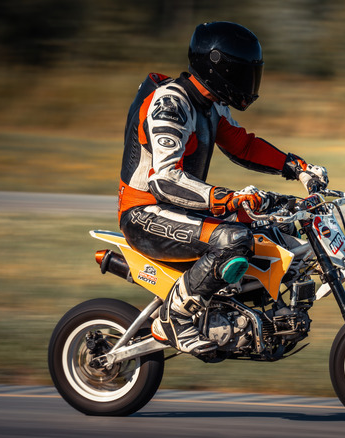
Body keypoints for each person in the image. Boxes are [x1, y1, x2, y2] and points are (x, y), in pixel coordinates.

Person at [117, 21, 327, 355]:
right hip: (145, 213)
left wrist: (297, 167)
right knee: (235, 240)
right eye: (243, 72)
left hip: (184, 210)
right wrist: (229, 200)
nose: (249, 82)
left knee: (274, 230)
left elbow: (243, 147)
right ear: (218, 67)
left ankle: (244, 314)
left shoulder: (211, 103)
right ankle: (175, 316)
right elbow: (165, 180)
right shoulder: (170, 104)